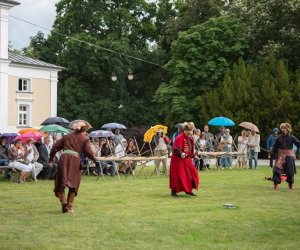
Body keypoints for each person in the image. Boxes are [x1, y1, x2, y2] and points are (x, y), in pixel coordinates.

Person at [49, 120, 98, 213]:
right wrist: (94, 159)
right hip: (75, 160)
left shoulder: (66, 137)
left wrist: (51, 158)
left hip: (63, 159)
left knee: (60, 183)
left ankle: (63, 202)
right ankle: (69, 206)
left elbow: (54, 147)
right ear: (83, 130)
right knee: (74, 184)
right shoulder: (84, 139)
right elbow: (88, 151)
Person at [170, 122, 199, 196]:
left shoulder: (191, 138)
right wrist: (181, 153)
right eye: (188, 130)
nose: (189, 132)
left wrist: (194, 156)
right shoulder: (179, 137)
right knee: (178, 175)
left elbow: (191, 148)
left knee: (193, 174)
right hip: (178, 159)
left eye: (191, 130)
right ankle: (174, 191)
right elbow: (176, 148)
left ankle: (188, 190)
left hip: (187, 159)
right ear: (185, 130)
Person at [271, 123, 300, 190]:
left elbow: (298, 144)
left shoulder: (292, 137)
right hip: (280, 156)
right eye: (282, 128)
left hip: (289, 156)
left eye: (284, 128)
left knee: (290, 171)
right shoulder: (278, 138)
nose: (283, 129)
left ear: (288, 129)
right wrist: (272, 152)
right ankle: (276, 184)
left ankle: (291, 184)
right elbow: (275, 147)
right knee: (277, 169)